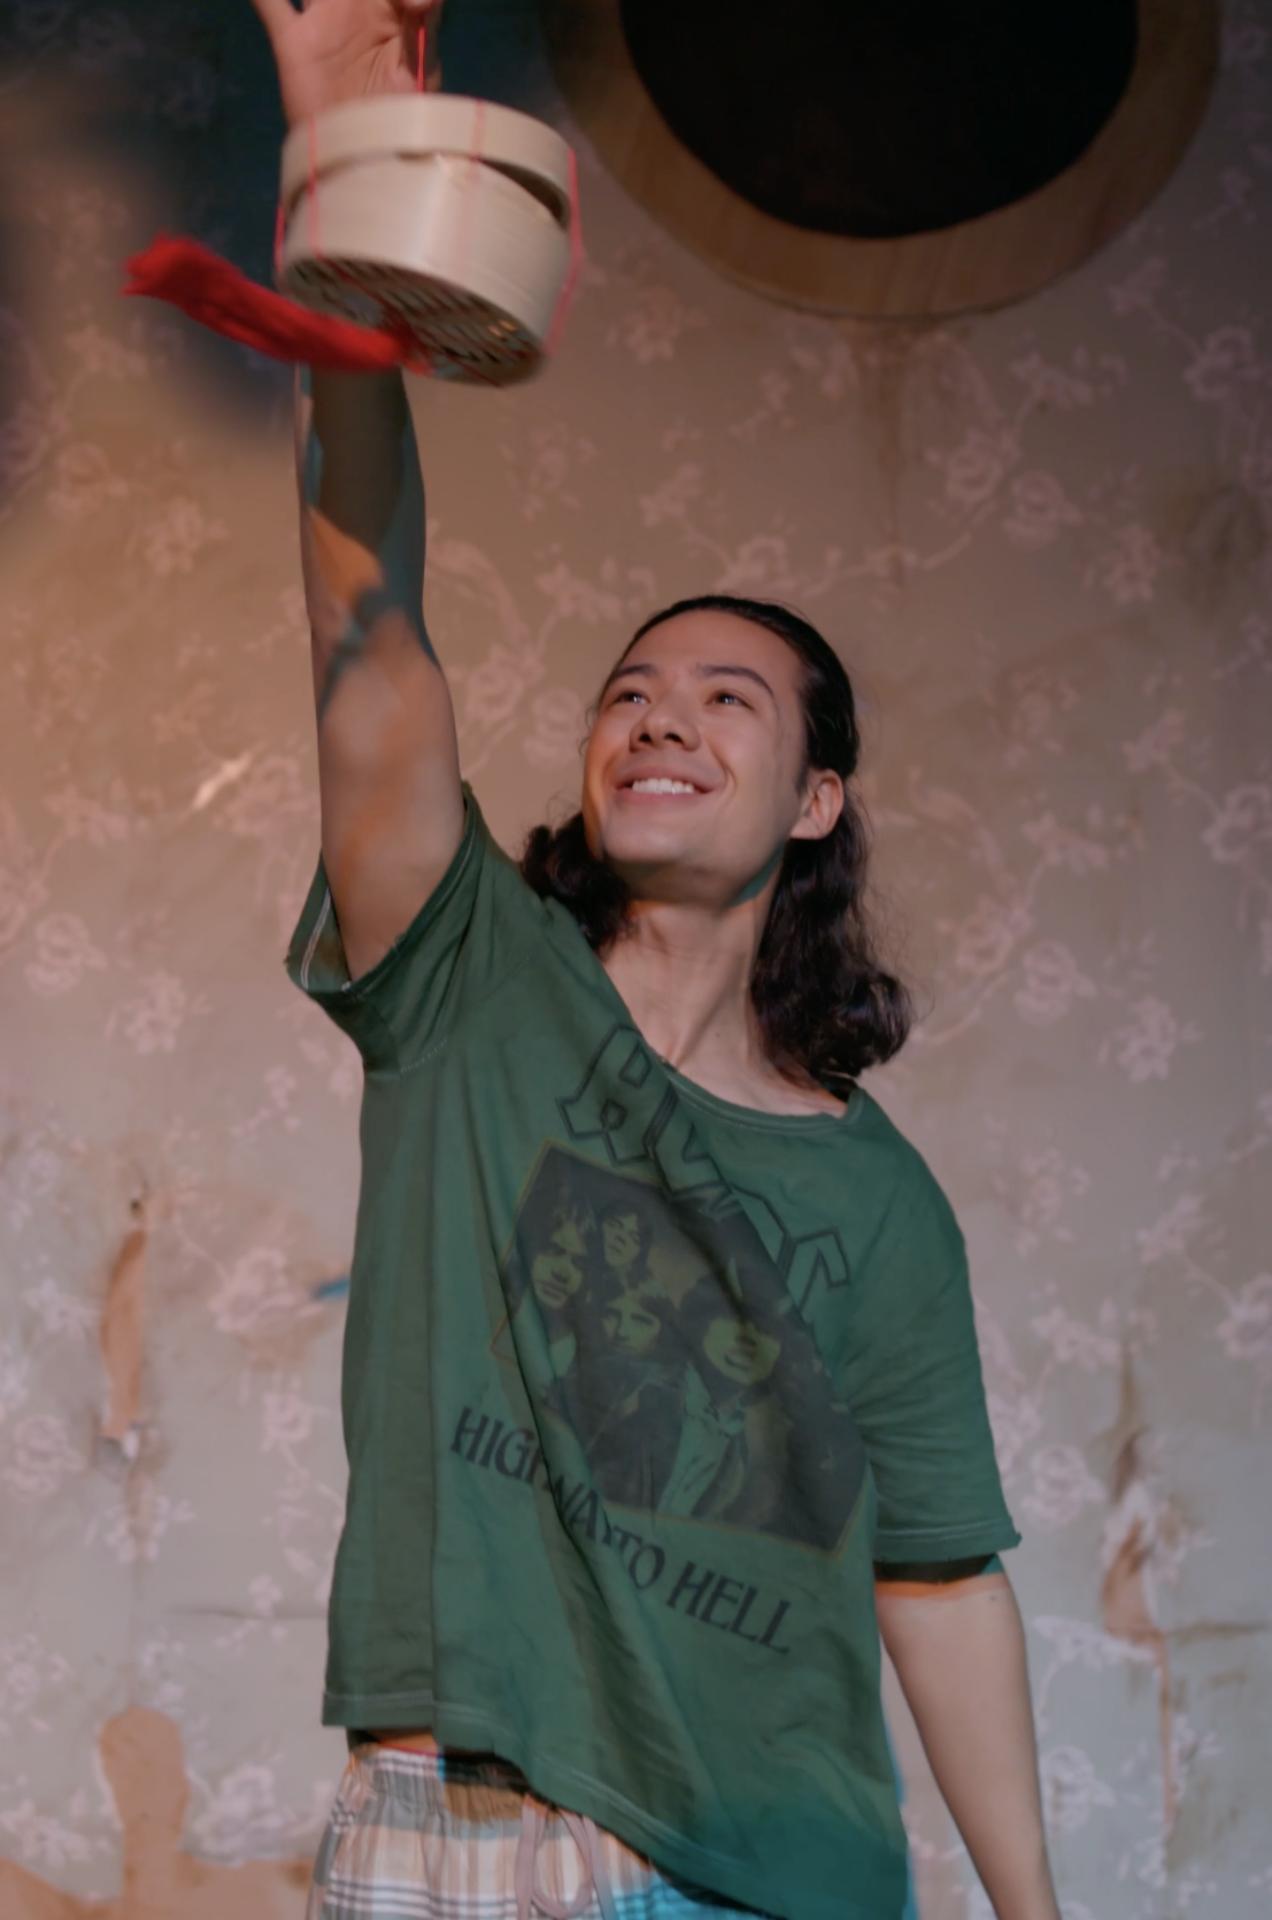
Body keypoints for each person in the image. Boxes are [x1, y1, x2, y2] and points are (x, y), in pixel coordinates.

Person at [250, 4, 1062, 1918]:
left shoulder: (879, 1199)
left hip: (785, 1870)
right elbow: (368, 625)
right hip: (464, 1825)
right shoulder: (465, 978)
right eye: (630, 691)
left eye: (726, 698)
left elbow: (939, 1579)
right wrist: (354, 197)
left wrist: (1035, 1909)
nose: (661, 716)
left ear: (814, 799)